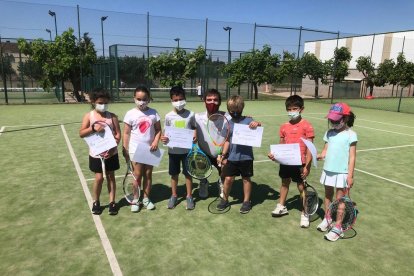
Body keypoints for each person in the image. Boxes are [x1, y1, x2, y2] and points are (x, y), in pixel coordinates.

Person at [267, 95, 314, 228]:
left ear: (301, 109)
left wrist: (307, 166)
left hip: (300, 163)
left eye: (295, 108)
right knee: (284, 182)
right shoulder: (284, 126)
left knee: (301, 186)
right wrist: (274, 155)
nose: (292, 111)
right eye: (289, 109)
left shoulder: (307, 126)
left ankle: (305, 212)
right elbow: (281, 145)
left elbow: (310, 149)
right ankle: (281, 205)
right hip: (286, 162)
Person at [316, 102, 357, 241]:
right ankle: (328, 219)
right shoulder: (329, 133)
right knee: (328, 196)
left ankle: (338, 227)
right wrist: (320, 155)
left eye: (336, 120)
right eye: (331, 120)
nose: (333, 122)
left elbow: (352, 157)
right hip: (328, 170)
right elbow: (325, 150)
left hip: (342, 173)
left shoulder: (351, 134)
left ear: (345, 118)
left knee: (340, 200)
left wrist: (350, 176)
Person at [216, 95, 261, 214]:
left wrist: (256, 124)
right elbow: (226, 141)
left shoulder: (248, 120)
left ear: (242, 108)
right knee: (228, 179)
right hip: (232, 157)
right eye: (232, 110)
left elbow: (258, 127)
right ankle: (224, 199)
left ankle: (246, 201)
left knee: (246, 179)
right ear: (228, 109)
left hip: (246, 157)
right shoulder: (228, 124)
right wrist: (223, 155)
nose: (235, 112)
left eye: (237, 110)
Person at [79, 88, 121, 215]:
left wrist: (113, 148)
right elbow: (81, 133)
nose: (103, 105)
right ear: (93, 102)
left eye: (105, 103)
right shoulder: (89, 116)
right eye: (100, 103)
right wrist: (93, 128)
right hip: (96, 153)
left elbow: (118, 134)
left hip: (111, 153)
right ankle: (96, 201)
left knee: (111, 177)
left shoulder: (112, 117)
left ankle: (112, 202)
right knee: (98, 178)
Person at [122, 85, 161, 212]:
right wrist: (125, 148)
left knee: (148, 174)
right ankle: (135, 199)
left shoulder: (154, 112)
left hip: (151, 149)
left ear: (149, 99)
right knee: (137, 175)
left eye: (144, 99)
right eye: (138, 99)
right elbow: (126, 133)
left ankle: (146, 198)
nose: (141, 102)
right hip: (135, 149)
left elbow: (158, 130)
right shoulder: (130, 113)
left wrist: (155, 140)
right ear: (134, 98)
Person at [160, 86, 197, 210]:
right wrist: (163, 138)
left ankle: (189, 196)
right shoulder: (169, 116)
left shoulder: (191, 114)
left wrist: (195, 134)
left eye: (181, 99)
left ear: (185, 99)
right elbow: (165, 133)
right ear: (171, 100)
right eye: (175, 100)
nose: (178, 102)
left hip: (187, 151)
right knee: (174, 174)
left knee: (188, 174)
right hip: (173, 151)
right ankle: (174, 195)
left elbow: (194, 127)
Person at [194, 88, 229, 199]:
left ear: (219, 102)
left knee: (226, 164)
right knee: (196, 160)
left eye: (215, 100)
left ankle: (221, 181)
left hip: (221, 154)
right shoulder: (197, 117)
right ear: (204, 101)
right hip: (204, 154)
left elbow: (241, 120)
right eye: (209, 100)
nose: (212, 103)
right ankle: (203, 183)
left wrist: (251, 121)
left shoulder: (227, 117)